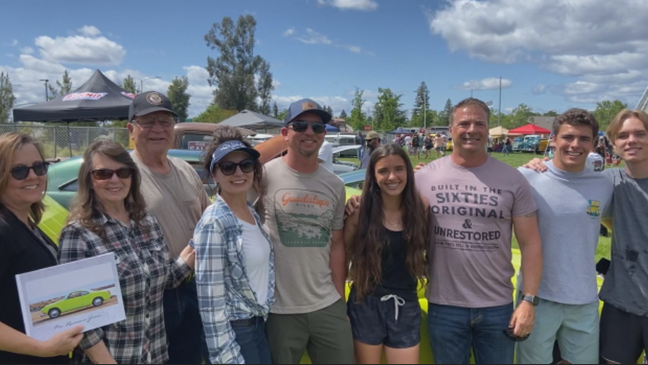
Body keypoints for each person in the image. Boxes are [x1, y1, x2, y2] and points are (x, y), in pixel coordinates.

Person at [415, 98, 543, 364]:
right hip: (444, 305)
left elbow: (530, 244)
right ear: (450, 130)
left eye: (479, 123)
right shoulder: (424, 177)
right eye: (463, 123)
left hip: (496, 306)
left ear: (488, 129)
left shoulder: (513, 179)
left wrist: (528, 300)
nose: (471, 129)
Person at [523, 109, 648, 364]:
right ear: (611, 143)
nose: (631, 140)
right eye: (623, 135)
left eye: (640, 134)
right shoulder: (608, 182)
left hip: (589, 301)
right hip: (615, 304)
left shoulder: (604, 183)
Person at [58, 139, 196, 364]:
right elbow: (77, 314)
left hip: (155, 355)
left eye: (123, 172)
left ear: (132, 177)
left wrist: (191, 255)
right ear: (89, 180)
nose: (114, 179)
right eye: (103, 174)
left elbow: (162, 280)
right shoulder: (79, 234)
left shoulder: (147, 222)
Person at [515, 109, 613, 364]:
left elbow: (613, 221)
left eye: (584, 139)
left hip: (584, 298)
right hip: (538, 297)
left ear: (593, 143)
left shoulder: (603, 184)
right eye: (568, 137)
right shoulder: (526, 177)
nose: (575, 145)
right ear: (554, 139)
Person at [260, 98, 353, 364]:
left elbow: (336, 243)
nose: (310, 132)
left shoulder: (335, 185)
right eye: (300, 125)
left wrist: (339, 298)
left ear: (324, 134)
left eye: (318, 127)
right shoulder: (263, 175)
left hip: (327, 304)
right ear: (285, 133)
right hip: (279, 309)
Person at [126, 91, 211, 364]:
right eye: (148, 122)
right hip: (153, 295)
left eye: (164, 122)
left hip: (194, 287)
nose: (157, 129)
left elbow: (208, 218)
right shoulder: (122, 173)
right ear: (131, 129)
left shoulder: (185, 169)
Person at [0, 133, 84, 364]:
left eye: (39, 167)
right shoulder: (3, 229)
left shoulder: (26, 223)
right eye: (19, 170)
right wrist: (41, 348)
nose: (33, 176)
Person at [194, 126, 275, 364]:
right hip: (235, 332)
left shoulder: (251, 212)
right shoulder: (214, 222)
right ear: (214, 174)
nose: (238, 172)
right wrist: (226, 357)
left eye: (246, 165)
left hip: (257, 325)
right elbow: (210, 303)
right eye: (228, 167)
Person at [344, 144, 428, 364]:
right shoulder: (359, 212)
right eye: (383, 171)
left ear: (408, 172)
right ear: (373, 175)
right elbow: (341, 255)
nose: (392, 176)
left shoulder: (421, 210)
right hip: (366, 303)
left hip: (406, 305)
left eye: (399, 169)